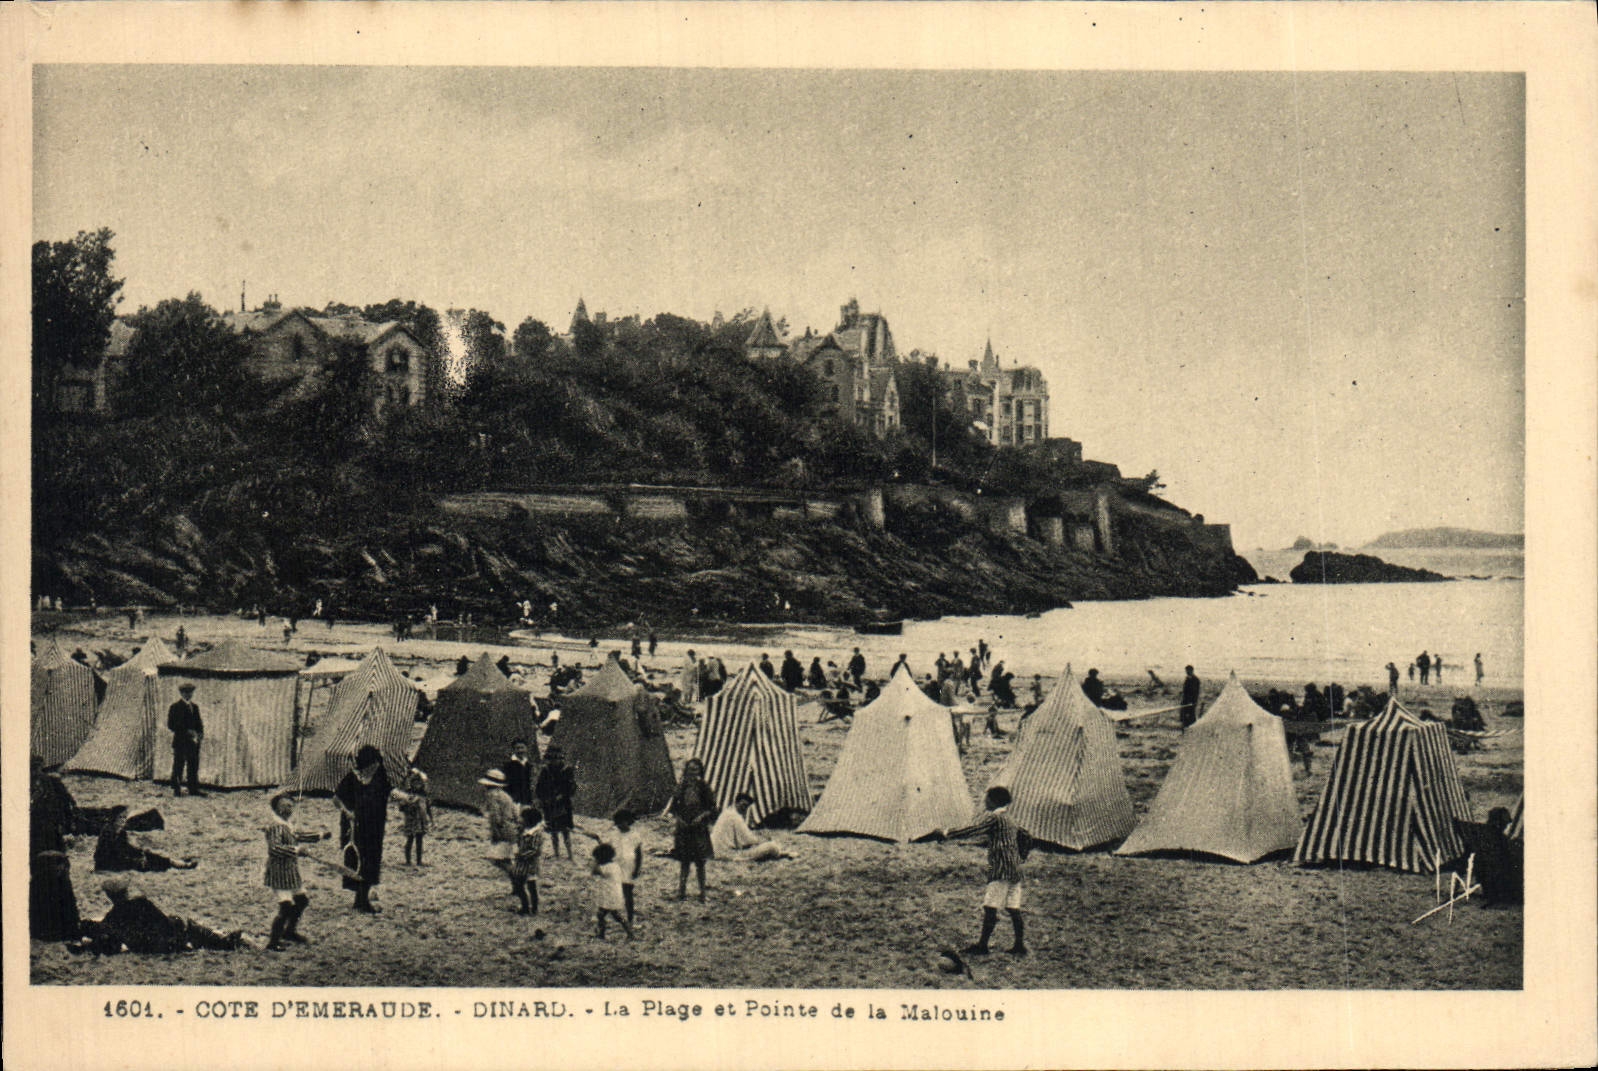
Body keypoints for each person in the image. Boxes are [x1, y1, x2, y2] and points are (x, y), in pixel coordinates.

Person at [933, 786, 1029, 957]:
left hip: (1001, 869)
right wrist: (1021, 856)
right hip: (1016, 870)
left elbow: (973, 830)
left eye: (987, 798)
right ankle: (1019, 945)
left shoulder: (995, 818)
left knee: (990, 907)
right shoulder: (1011, 819)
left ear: (994, 801)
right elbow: (1026, 836)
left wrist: (947, 833)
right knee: (1013, 908)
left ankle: (983, 946)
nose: (985, 801)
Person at [72, 878, 246, 955]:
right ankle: (224, 942)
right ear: (126, 891)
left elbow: (105, 930)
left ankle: (221, 941)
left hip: (146, 946)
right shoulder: (141, 903)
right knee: (188, 926)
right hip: (165, 941)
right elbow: (163, 921)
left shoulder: (113, 916)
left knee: (184, 928)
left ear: (110, 896)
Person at [334, 745, 396, 913]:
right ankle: (361, 900)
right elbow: (336, 799)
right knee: (358, 860)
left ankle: (362, 898)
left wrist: (405, 797)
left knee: (372, 860)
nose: (376, 766)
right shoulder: (352, 777)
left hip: (374, 826)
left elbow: (390, 791)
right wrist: (347, 812)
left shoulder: (380, 776)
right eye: (373, 763)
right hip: (354, 827)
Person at [263, 793, 326, 951]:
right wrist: (296, 850)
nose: (288, 809)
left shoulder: (286, 824)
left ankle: (289, 932)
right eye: (284, 806)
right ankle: (273, 942)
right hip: (279, 872)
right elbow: (274, 848)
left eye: (290, 806)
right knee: (285, 906)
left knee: (302, 900)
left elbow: (298, 835)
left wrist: (319, 835)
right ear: (276, 808)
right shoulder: (276, 826)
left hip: (290, 871)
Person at [668, 758, 717, 902]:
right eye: (690, 769)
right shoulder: (681, 787)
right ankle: (681, 892)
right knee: (684, 862)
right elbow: (674, 808)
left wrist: (701, 817)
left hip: (698, 829)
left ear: (700, 771)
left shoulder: (704, 787)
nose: (692, 772)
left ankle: (702, 893)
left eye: (695, 769)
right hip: (684, 829)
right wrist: (679, 820)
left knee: (700, 862)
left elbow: (711, 808)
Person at [94, 805, 196, 872]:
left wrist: (141, 853)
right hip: (109, 865)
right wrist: (134, 859)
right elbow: (106, 855)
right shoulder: (108, 833)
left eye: (124, 817)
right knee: (147, 863)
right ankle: (176, 864)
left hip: (120, 861)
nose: (123, 821)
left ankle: (176, 863)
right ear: (114, 819)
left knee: (149, 855)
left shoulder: (121, 832)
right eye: (120, 818)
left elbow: (127, 848)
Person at [479, 769, 522, 904]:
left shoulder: (492, 795)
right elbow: (516, 814)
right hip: (511, 828)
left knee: (499, 860)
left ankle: (518, 881)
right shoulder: (505, 795)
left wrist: (496, 833)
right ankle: (516, 886)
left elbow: (495, 817)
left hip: (502, 829)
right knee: (506, 859)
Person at [712, 793, 797, 862]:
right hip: (728, 854)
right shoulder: (735, 816)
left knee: (766, 844)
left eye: (746, 807)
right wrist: (762, 840)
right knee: (771, 846)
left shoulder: (726, 812)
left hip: (715, 851)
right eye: (742, 805)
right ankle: (783, 853)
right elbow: (749, 840)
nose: (744, 809)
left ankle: (782, 852)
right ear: (736, 803)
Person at [535, 746, 577, 860]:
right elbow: (539, 787)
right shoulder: (545, 770)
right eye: (552, 759)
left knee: (565, 830)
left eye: (557, 758)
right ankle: (556, 853)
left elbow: (572, 787)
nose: (555, 761)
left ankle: (570, 854)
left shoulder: (567, 770)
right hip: (549, 804)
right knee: (553, 830)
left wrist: (563, 795)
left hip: (564, 804)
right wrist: (544, 798)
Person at [607, 809, 645, 930]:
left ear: (628, 821)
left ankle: (630, 919)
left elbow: (639, 854)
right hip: (616, 866)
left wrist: (637, 869)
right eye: (617, 823)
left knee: (628, 894)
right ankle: (616, 918)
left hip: (629, 867)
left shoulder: (634, 835)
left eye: (622, 823)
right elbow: (609, 850)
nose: (619, 825)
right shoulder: (614, 834)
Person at [167, 682, 205, 797]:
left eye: (190, 692)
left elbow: (199, 723)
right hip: (181, 741)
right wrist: (187, 731)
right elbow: (171, 725)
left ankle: (193, 789)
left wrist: (200, 733)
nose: (188, 694)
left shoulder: (195, 707)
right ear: (181, 693)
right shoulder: (175, 707)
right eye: (186, 692)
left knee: (193, 766)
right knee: (179, 765)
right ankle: (176, 789)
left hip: (193, 742)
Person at [591, 843, 632, 940]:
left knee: (604, 915)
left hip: (609, 896)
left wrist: (595, 861)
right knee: (612, 915)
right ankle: (629, 932)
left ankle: (602, 934)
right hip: (614, 894)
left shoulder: (606, 868)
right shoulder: (615, 866)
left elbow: (594, 871)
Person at [509, 805, 545, 916]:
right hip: (522, 863)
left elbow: (535, 850)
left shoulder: (536, 834)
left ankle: (533, 908)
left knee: (531, 886)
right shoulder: (524, 831)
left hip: (530, 863)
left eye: (522, 818)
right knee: (519, 884)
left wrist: (522, 855)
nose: (520, 820)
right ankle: (525, 906)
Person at [399, 764, 432, 866]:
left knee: (419, 840)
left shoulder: (424, 796)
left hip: (421, 821)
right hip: (411, 820)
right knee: (410, 839)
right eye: (415, 783)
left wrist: (431, 819)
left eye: (419, 783)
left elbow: (428, 808)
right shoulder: (408, 796)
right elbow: (401, 807)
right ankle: (408, 861)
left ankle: (419, 861)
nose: (418, 785)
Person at [504, 740, 535, 807]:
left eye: (522, 747)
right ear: (513, 750)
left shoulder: (528, 765)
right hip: (514, 800)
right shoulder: (508, 765)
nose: (520, 750)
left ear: (526, 749)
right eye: (517, 748)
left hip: (527, 800)